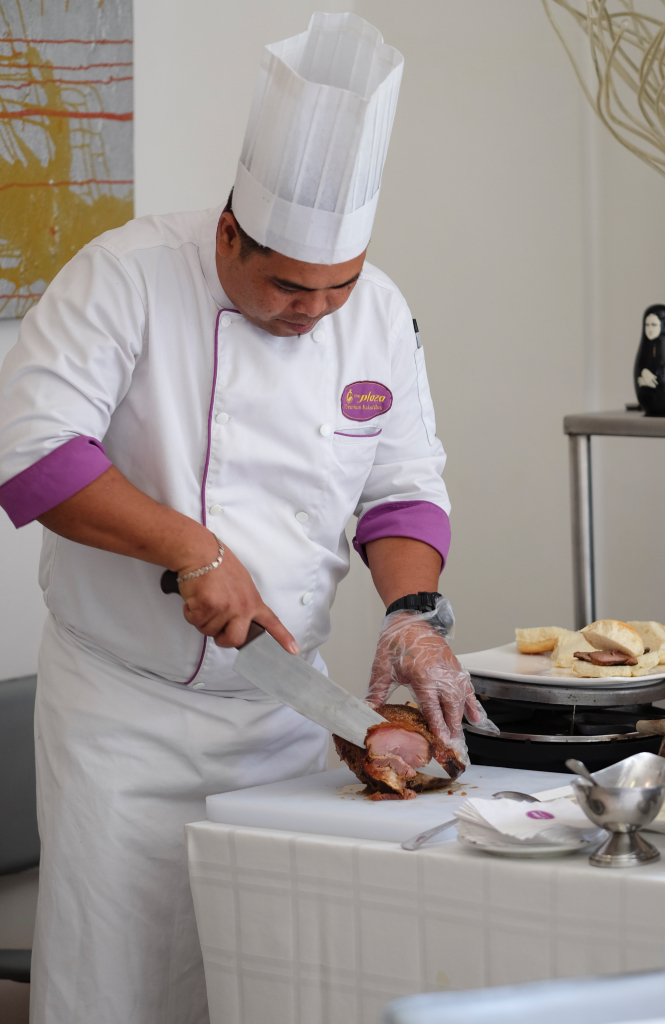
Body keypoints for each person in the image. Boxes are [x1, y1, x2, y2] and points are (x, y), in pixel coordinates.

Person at [0, 12, 493, 1024]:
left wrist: (413, 613)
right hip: (124, 725)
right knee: (117, 992)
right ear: (229, 233)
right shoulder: (126, 276)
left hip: (286, 724)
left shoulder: (377, 312)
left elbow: (402, 485)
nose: (313, 311)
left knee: (279, 985)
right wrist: (193, 549)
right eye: (286, 285)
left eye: (337, 287)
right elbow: (34, 455)